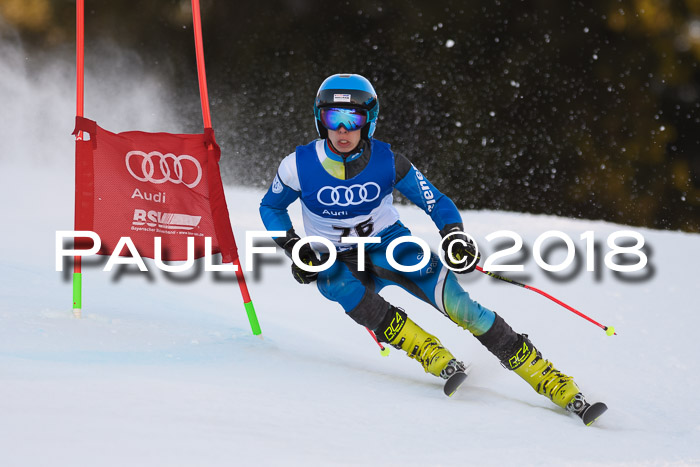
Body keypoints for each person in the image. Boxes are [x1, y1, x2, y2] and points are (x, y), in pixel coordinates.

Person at [259, 73, 606, 424]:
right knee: (332, 281)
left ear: (369, 121)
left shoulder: (388, 161)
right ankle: (427, 350)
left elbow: (435, 201)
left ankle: (548, 378)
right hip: (336, 255)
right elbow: (270, 207)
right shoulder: (296, 166)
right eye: (335, 119)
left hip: (390, 244)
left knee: (462, 308)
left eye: (354, 120)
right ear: (321, 119)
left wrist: (453, 234)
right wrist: (293, 245)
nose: (344, 130)